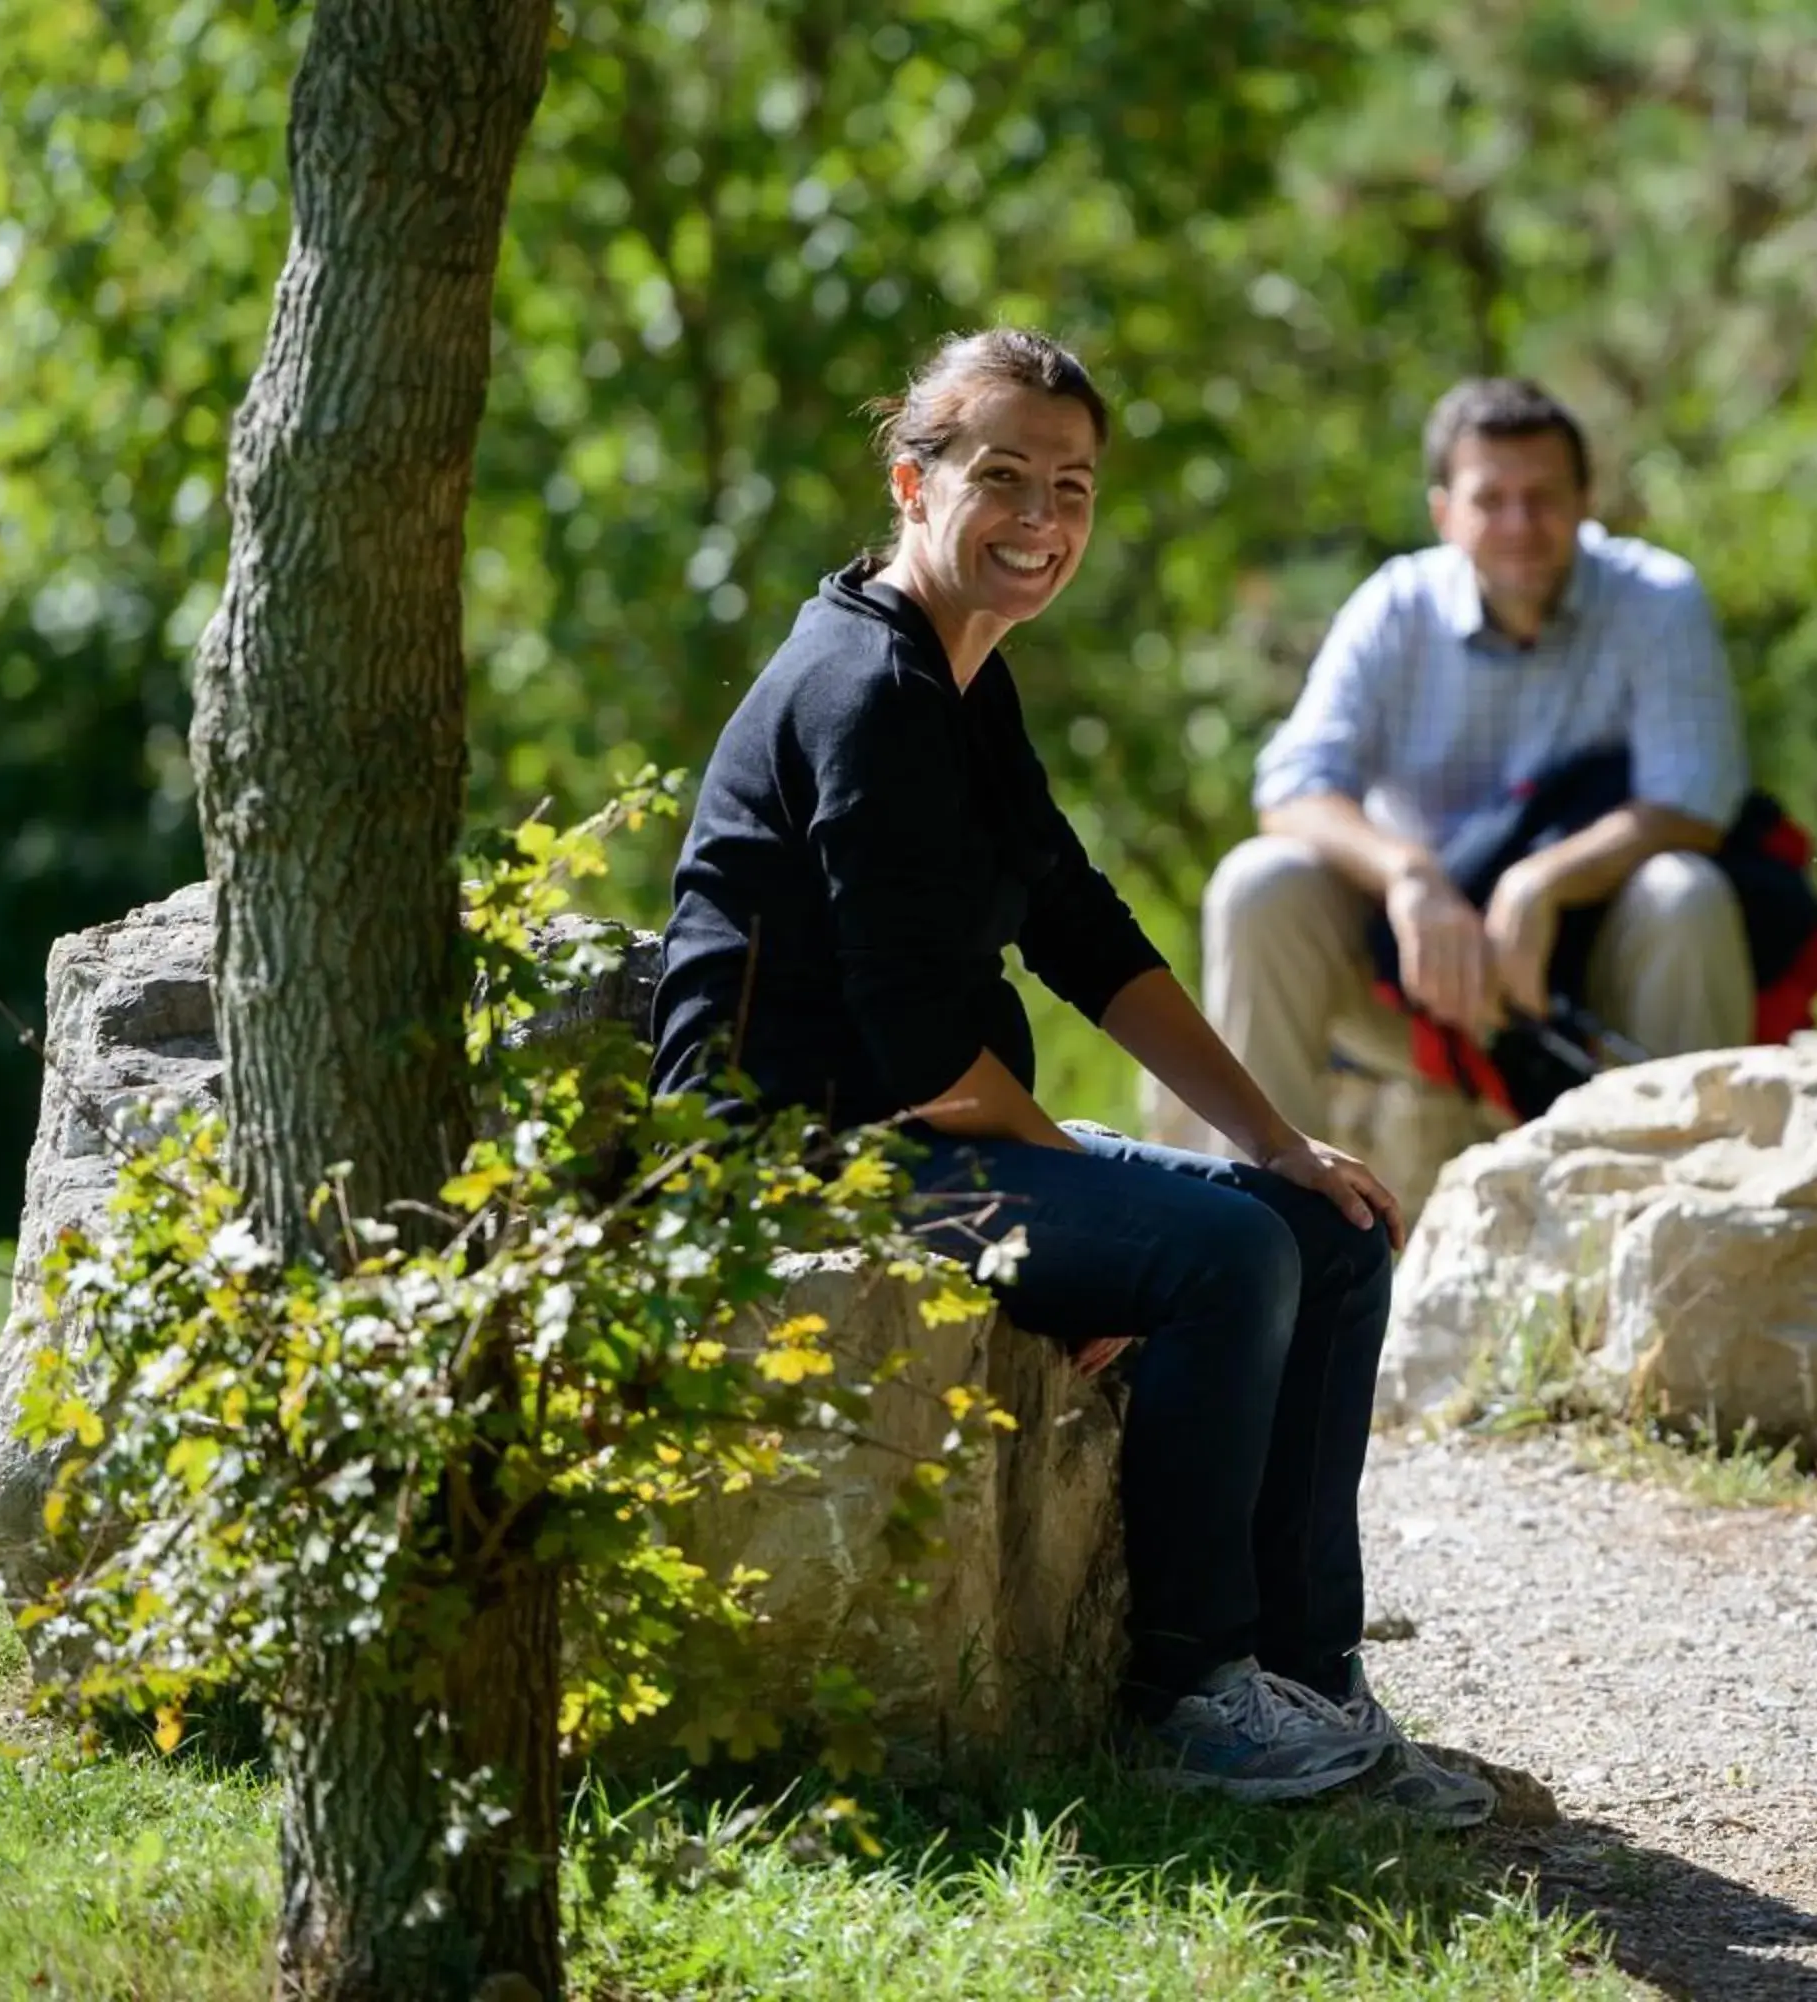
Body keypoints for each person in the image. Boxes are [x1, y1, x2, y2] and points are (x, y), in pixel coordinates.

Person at [646, 329, 1495, 1826]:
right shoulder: (865, 691)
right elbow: (914, 1051)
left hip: (920, 1129)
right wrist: (1097, 1196)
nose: (1042, 517)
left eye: (1074, 486)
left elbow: (1080, 927)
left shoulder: (964, 678)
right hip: (796, 1160)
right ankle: (1194, 1697)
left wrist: (1281, 1137)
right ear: (913, 482)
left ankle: (1309, 1678)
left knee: (1329, 1225)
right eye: (1003, 477)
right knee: (1222, 1252)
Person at [1194, 377, 1757, 1151]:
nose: (1520, 523)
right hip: (1413, 978)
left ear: (1587, 499)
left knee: (1684, 892)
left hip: (1594, 969)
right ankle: (1266, 1214)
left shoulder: (1656, 599)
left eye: (1544, 496)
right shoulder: (1396, 606)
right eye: (1491, 499)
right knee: (1259, 883)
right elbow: (1292, 788)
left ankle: (1703, 1190)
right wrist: (1408, 875)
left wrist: (1542, 882)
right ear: (1443, 514)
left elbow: (1694, 804)